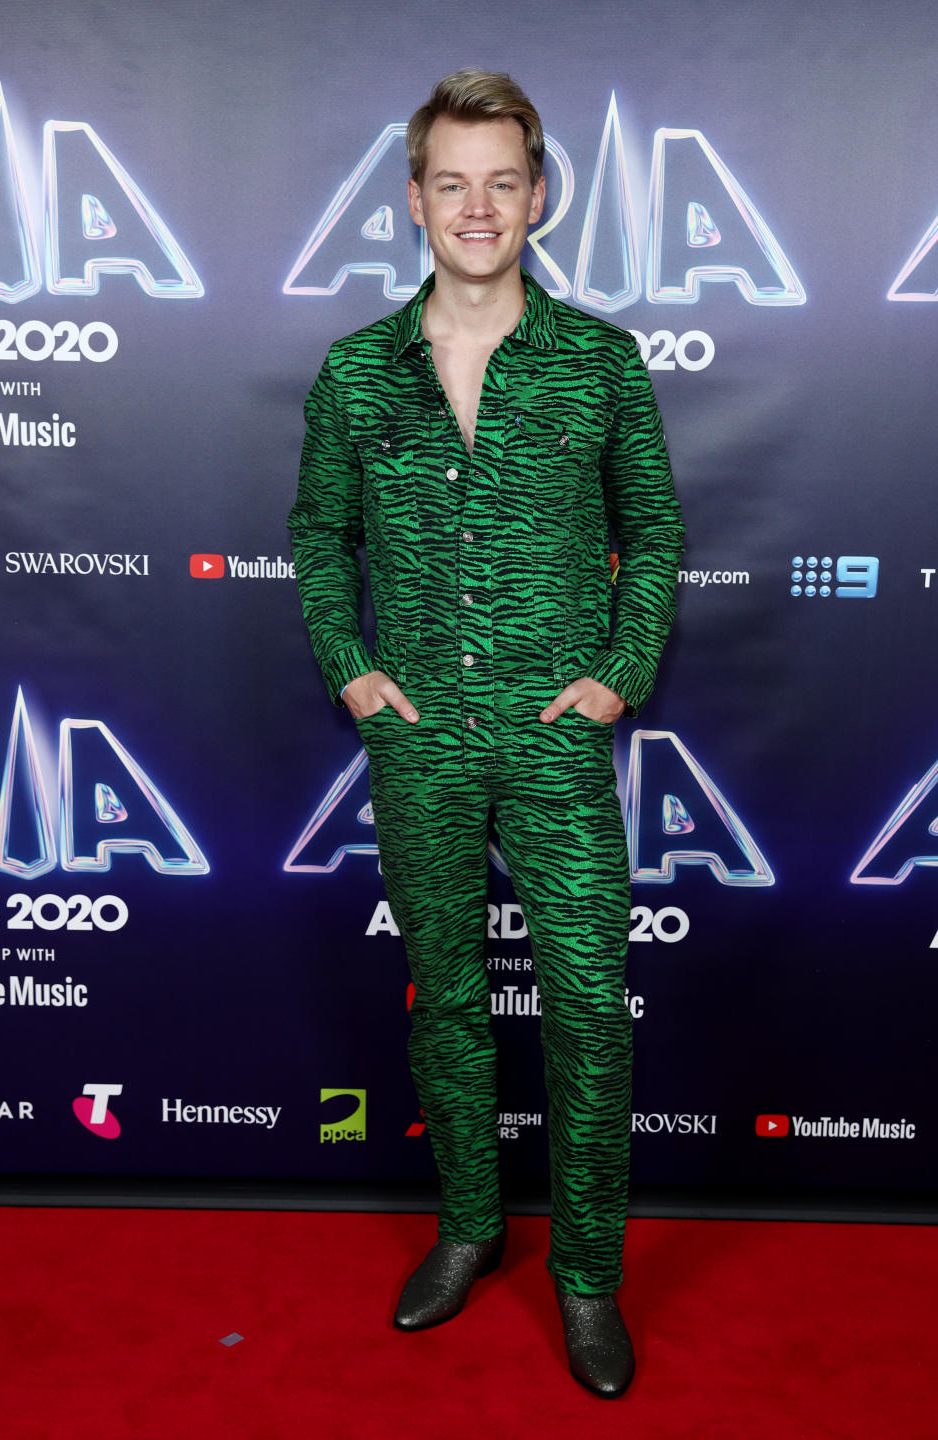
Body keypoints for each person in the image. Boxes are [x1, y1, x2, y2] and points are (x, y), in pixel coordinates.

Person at [288, 69, 685, 1399]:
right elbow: (316, 535)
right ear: (414, 199)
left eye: (501, 181)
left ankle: (587, 1283)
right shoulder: (356, 372)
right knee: (449, 1006)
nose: (477, 207)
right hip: (420, 749)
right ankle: (468, 1229)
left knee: (586, 1015)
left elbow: (659, 529)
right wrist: (352, 670)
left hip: (557, 742)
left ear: (539, 195)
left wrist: (620, 676)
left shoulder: (600, 363)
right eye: (450, 182)